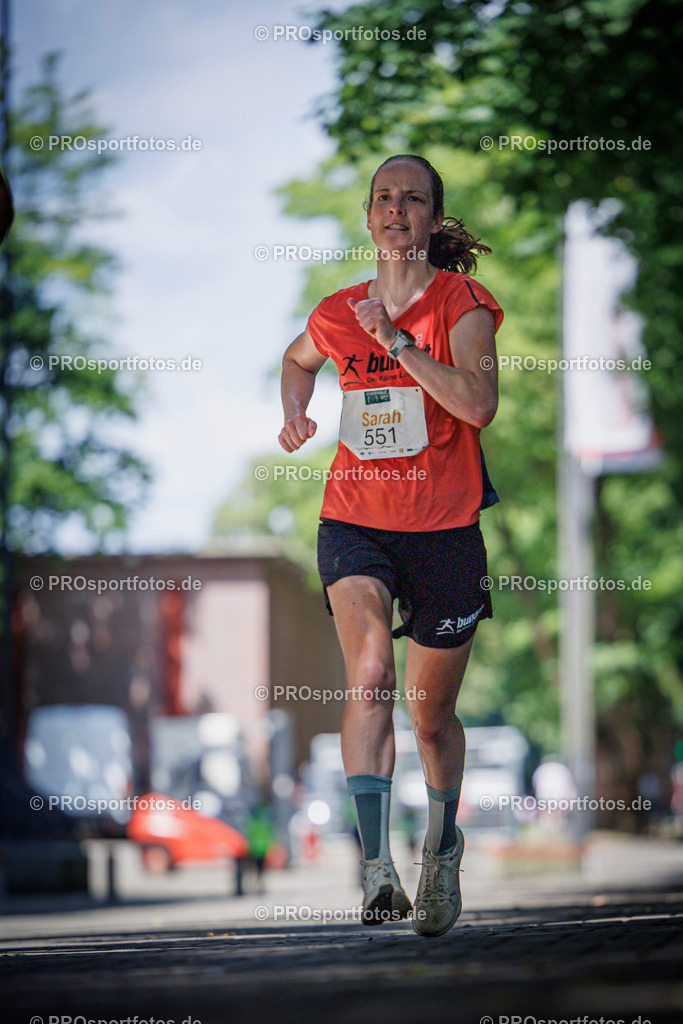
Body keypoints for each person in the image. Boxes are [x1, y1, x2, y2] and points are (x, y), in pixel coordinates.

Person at [278, 154, 503, 937]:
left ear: (433, 219)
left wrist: (399, 344)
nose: (395, 208)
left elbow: (477, 405)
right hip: (355, 521)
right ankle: (375, 868)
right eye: (382, 197)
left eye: (412, 198)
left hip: (443, 531)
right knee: (368, 672)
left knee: (430, 716)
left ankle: (441, 853)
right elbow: (297, 359)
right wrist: (295, 411)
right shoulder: (337, 310)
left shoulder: (462, 302)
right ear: (367, 217)